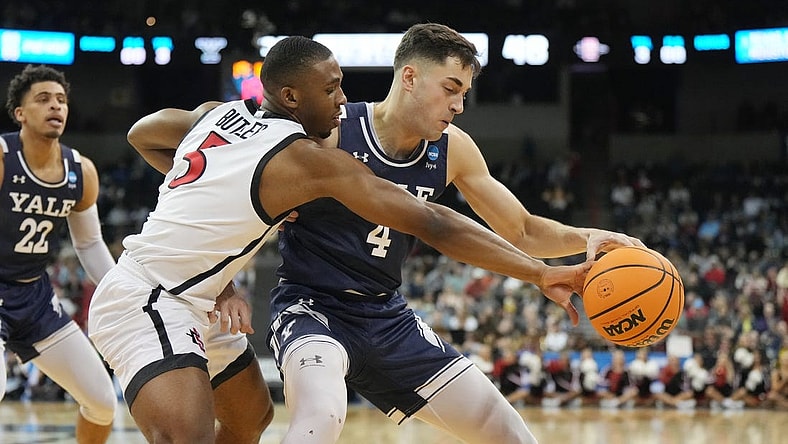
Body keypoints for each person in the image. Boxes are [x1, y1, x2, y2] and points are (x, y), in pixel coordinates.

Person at [87, 36, 597, 444]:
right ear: (291, 97)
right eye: (331, 89)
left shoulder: (219, 113)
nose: (342, 99)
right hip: (153, 296)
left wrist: (216, 246)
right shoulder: (309, 159)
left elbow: (143, 132)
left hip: (235, 300)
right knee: (192, 436)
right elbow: (433, 222)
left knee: (249, 420)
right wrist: (538, 272)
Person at [265, 23, 644, 443]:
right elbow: (237, 185)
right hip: (311, 309)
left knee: (511, 433)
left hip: (387, 317)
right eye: (450, 88)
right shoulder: (332, 130)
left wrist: (586, 236)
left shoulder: (452, 148)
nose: (459, 105)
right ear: (409, 77)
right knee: (320, 418)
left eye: (463, 92)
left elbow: (521, 228)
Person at [1, 64, 117, 443]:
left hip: (34, 296)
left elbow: (88, 244)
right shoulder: (3, 159)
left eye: (62, 100)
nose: (56, 106)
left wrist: (121, 289)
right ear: (19, 113)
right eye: (43, 99)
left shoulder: (80, 170)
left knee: (101, 401)